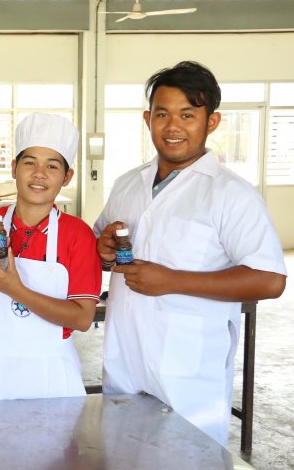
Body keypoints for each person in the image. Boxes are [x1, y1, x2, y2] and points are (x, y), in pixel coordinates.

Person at [94, 61, 287, 445]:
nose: (173, 127)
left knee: (188, 466)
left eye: (187, 115)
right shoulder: (128, 184)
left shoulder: (232, 194)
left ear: (211, 121)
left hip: (187, 368)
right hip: (125, 356)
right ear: (148, 119)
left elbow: (270, 280)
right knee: (121, 461)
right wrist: (104, 251)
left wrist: (173, 281)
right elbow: (102, 247)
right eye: (162, 114)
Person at [0, 113, 101, 401]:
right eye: (30, 162)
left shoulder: (78, 234)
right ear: (14, 168)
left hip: (51, 370)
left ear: (67, 177)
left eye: (52, 166)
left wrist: (14, 289)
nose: (39, 173)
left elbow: (82, 318)